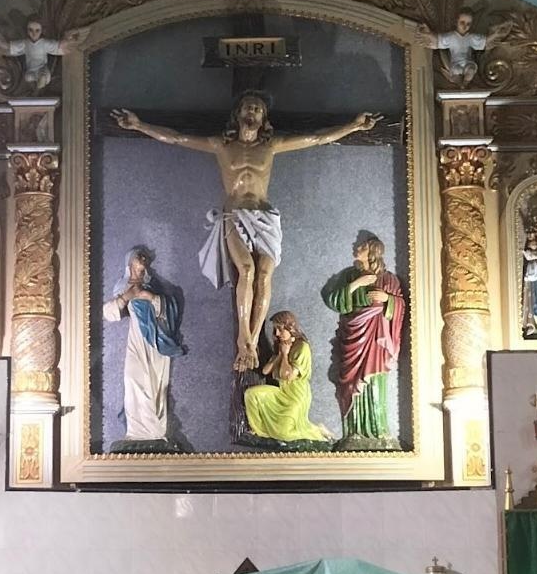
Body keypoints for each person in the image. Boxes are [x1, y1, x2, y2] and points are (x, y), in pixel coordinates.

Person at [111, 92, 379, 371]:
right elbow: (177, 137)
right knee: (247, 271)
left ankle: (251, 339)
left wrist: (354, 126)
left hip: (264, 217)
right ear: (238, 114)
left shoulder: (271, 146)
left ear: (264, 119)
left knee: (264, 274)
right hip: (235, 215)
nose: (252, 112)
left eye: (258, 109)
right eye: (248, 107)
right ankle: (243, 339)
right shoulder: (221, 145)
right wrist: (140, 125)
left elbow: (316, 138)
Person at [322, 232, 405, 443]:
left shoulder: (389, 279)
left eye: (361, 246)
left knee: (374, 380)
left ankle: (378, 431)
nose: (355, 247)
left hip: (376, 337)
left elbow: (401, 307)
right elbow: (333, 299)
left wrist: (387, 299)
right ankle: (353, 433)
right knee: (349, 383)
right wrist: (356, 284)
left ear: (373, 252)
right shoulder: (350, 275)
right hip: (352, 334)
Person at [102, 245, 185, 445]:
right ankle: (137, 431)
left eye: (146, 258)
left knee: (157, 385)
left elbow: (169, 306)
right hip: (136, 340)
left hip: (155, 342)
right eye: (140, 257)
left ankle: (156, 432)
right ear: (130, 262)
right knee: (133, 379)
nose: (144, 261)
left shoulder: (152, 288)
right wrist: (129, 295)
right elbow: (109, 313)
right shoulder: (123, 287)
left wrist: (148, 296)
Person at [243, 311, 330, 445]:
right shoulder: (281, 346)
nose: (277, 333)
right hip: (282, 393)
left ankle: (316, 431)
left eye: (280, 329)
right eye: (275, 329)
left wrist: (285, 355)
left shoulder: (302, 347)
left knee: (284, 433)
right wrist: (279, 354)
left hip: (296, 396)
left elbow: (287, 375)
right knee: (251, 394)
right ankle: (259, 431)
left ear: (291, 327)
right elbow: (266, 371)